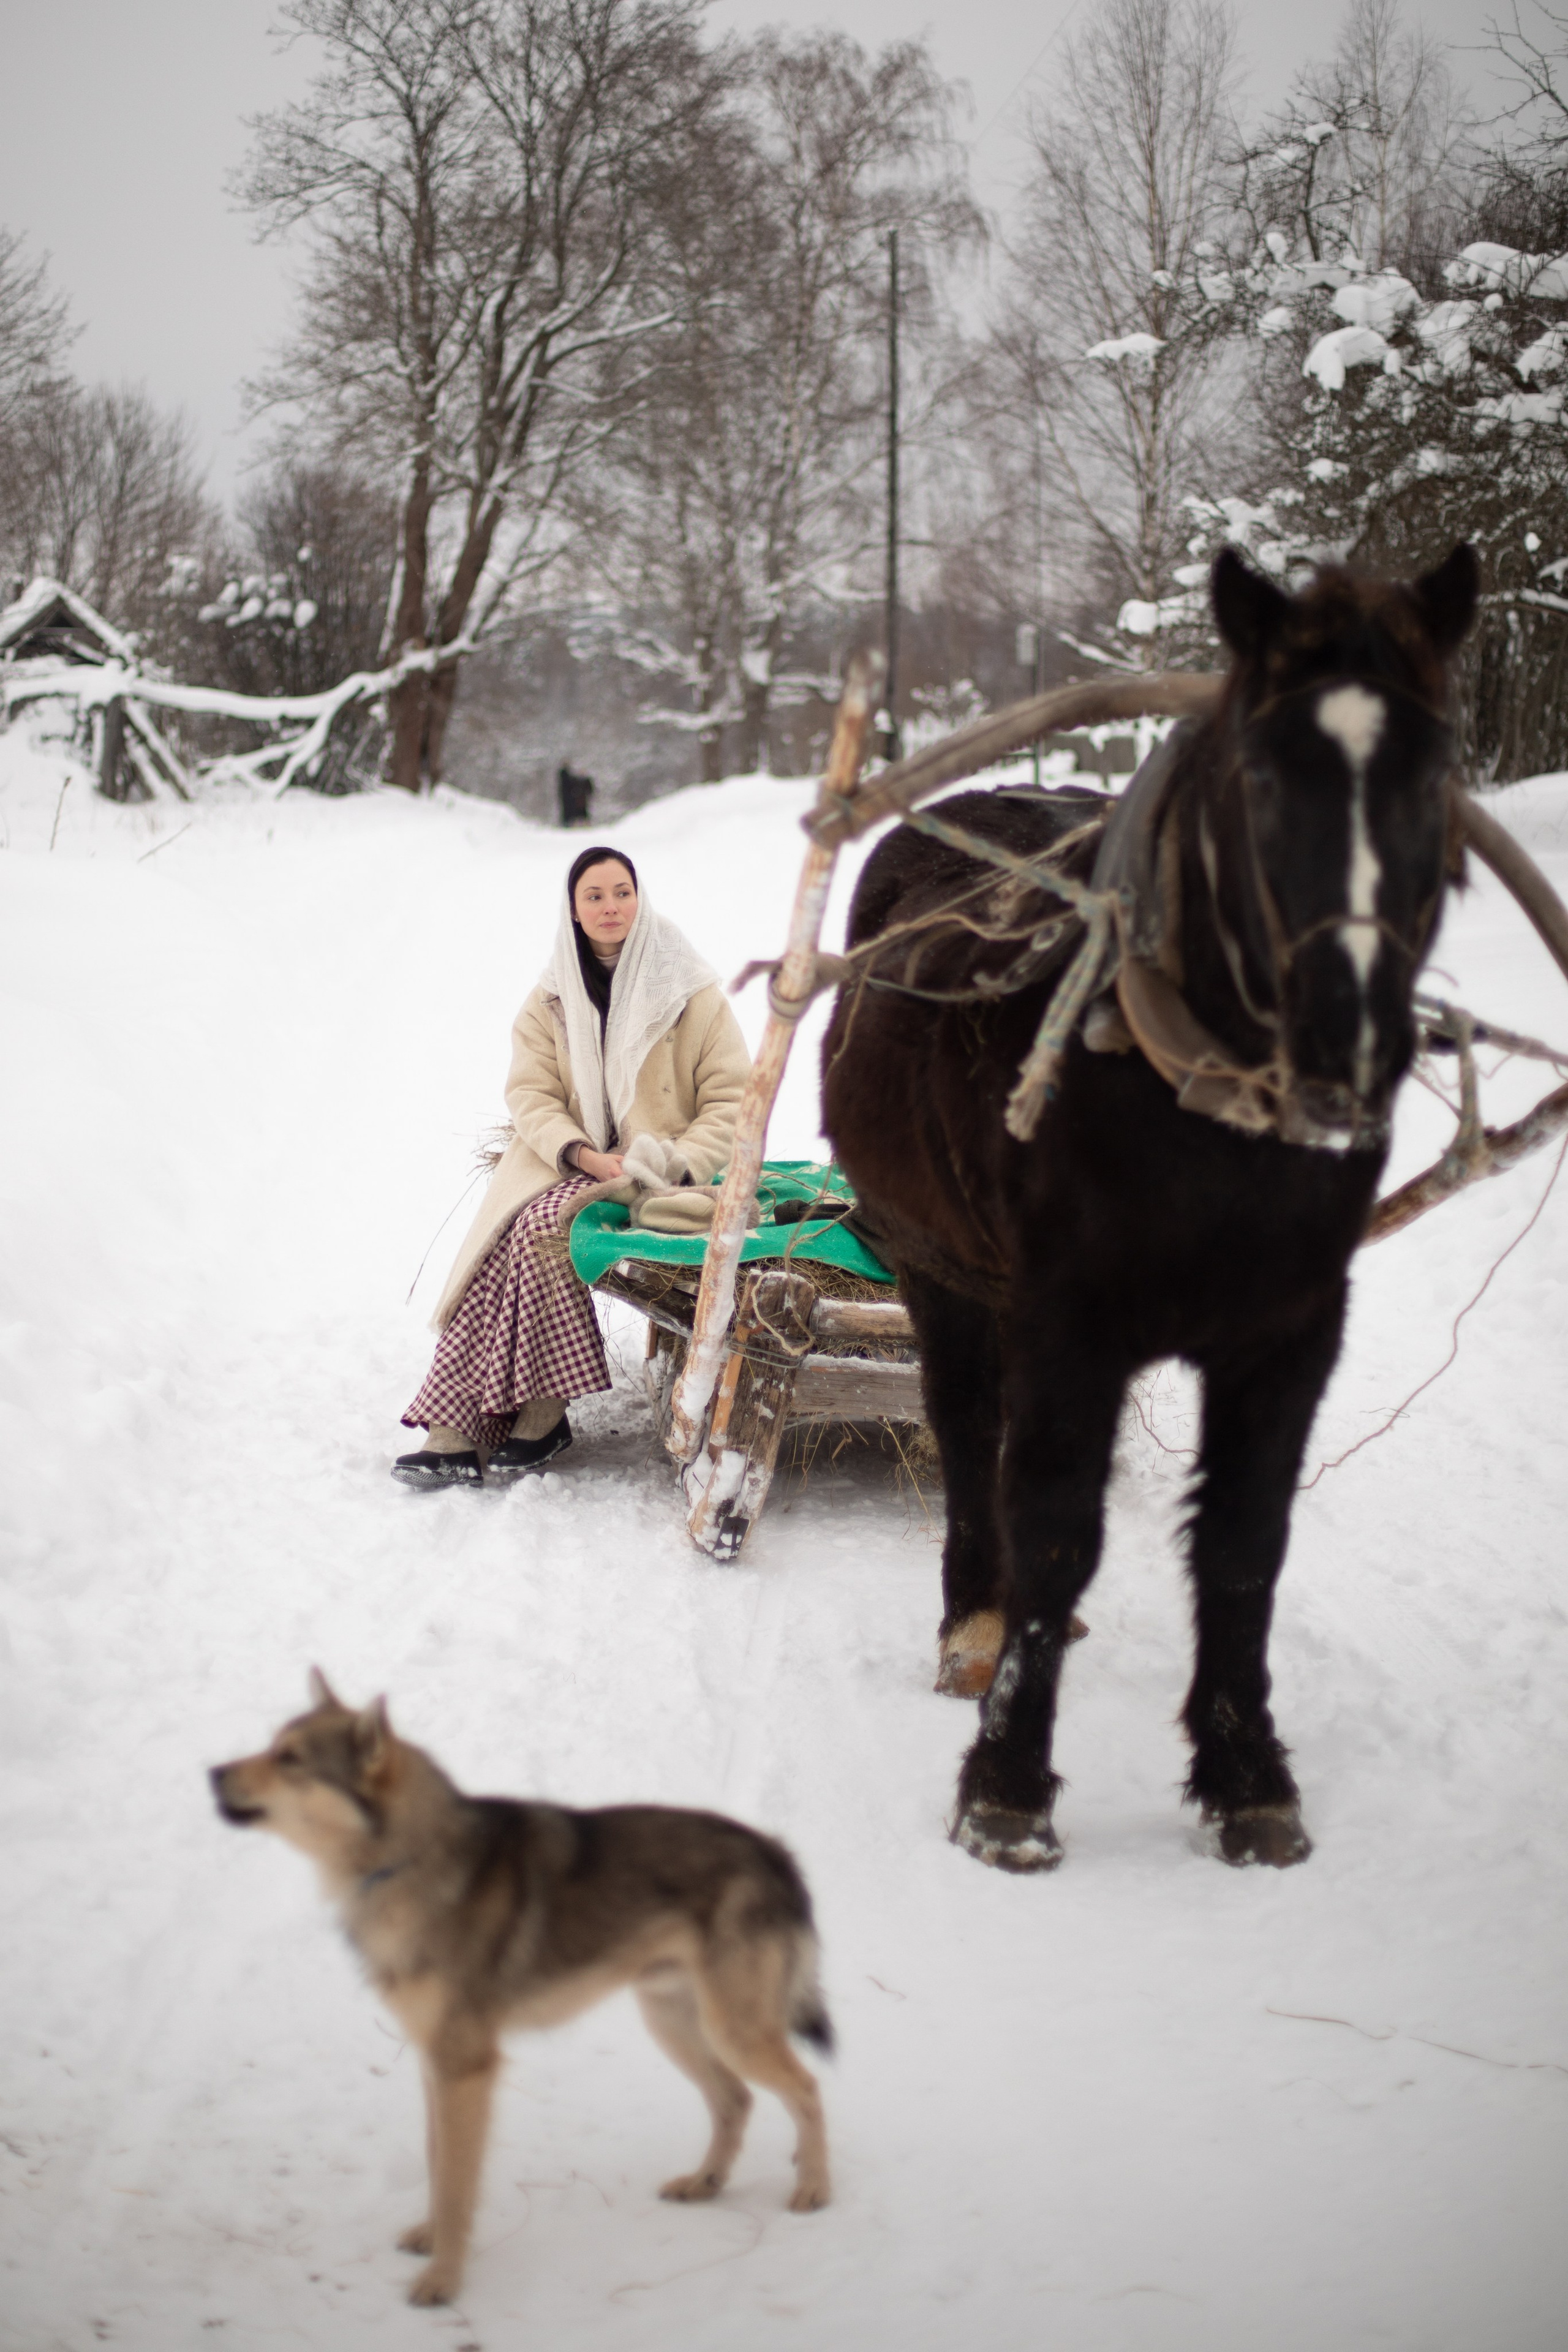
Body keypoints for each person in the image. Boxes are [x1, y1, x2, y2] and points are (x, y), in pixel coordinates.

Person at [394, 845, 751, 1487]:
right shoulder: (550, 997)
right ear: (574, 909)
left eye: (622, 892)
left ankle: (540, 1409)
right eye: (595, 895)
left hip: (659, 1170)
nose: (611, 906)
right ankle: (455, 1430)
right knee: (499, 1240)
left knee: (539, 1233)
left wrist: (674, 1163)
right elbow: (530, 1095)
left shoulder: (689, 991)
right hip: (572, 1159)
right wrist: (582, 1153)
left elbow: (731, 1099)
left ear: (639, 900)